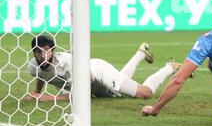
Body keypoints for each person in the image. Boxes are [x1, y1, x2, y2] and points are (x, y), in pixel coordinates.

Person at [25, 35, 186, 102]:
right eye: (39, 51)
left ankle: (170, 66)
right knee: (119, 84)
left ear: (53, 50)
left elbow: (82, 93)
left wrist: (51, 98)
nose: (42, 54)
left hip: (99, 73)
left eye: (46, 50)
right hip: (92, 84)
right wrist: (37, 94)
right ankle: (141, 53)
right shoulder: (33, 66)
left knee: (145, 93)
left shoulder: (67, 62)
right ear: (34, 53)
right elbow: (41, 75)